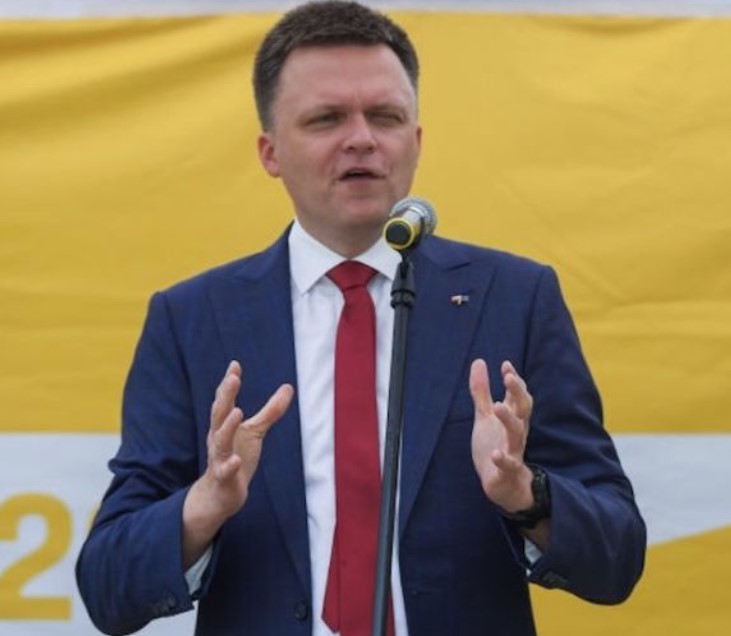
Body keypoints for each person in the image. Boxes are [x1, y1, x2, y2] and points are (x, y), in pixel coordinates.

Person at [76, 2, 646, 635]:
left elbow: (616, 558)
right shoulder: (191, 319)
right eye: (326, 119)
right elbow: (108, 587)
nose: (362, 139)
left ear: (416, 141)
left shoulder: (514, 298)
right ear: (270, 151)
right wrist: (203, 505)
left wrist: (526, 494)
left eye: (385, 117)